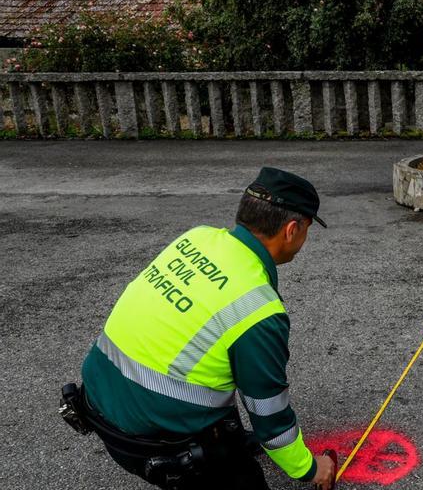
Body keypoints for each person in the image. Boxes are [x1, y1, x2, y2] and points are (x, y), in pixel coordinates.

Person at [69, 167, 335, 489]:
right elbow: (270, 416)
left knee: (216, 363)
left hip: (97, 403)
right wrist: (309, 469)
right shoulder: (257, 309)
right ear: (291, 230)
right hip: (153, 445)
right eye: (307, 229)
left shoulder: (197, 238)